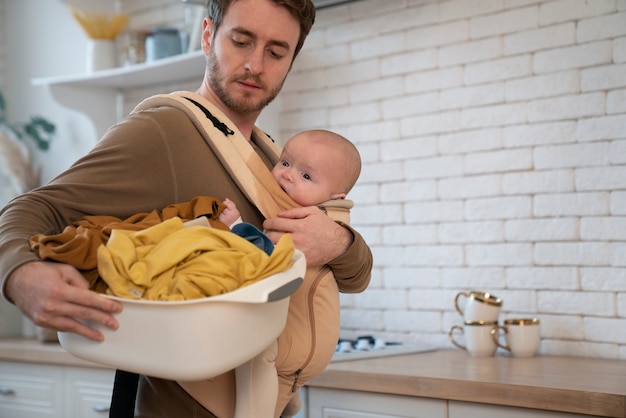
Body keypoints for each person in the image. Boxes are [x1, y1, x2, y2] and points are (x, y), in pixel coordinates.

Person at [0, 1, 372, 417]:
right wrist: (19, 274)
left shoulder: (274, 160)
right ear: (209, 35)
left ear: (290, 61)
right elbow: (35, 207)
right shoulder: (161, 132)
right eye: (241, 41)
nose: (255, 64)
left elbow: (356, 277)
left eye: (275, 51)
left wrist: (338, 242)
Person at [219, 129, 361, 418]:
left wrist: (236, 226)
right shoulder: (331, 216)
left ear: (337, 195)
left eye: (306, 176)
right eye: (285, 163)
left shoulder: (308, 222)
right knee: (283, 390)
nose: (287, 175)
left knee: (256, 363)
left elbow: (265, 256)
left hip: (290, 344)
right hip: (305, 343)